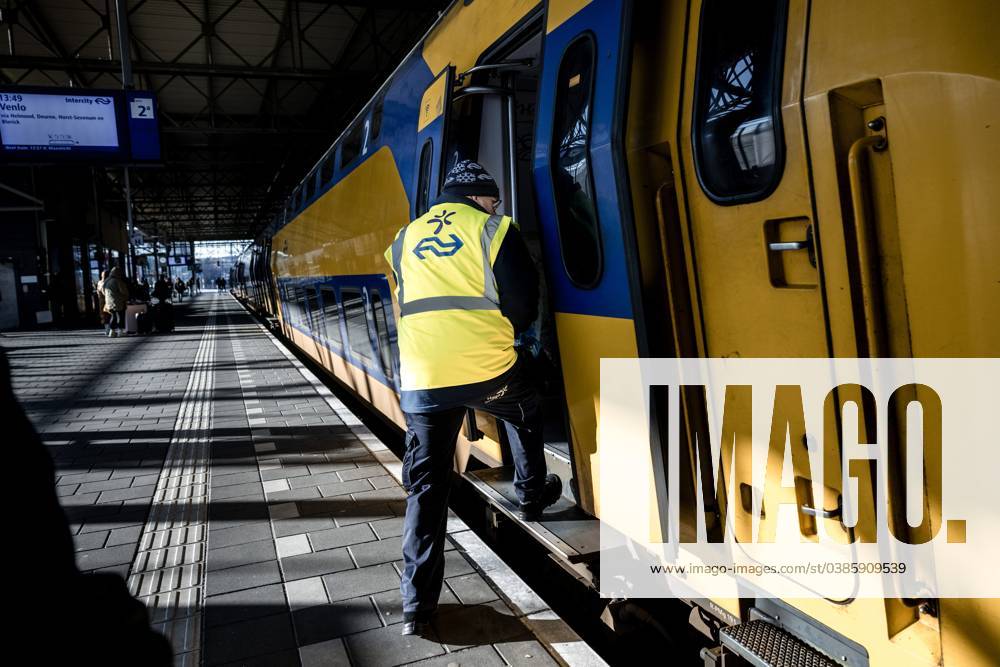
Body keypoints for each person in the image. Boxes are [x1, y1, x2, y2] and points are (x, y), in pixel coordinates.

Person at [384, 159, 562, 637]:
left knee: (426, 488)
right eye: (494, 198)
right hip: (488, 373)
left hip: (422, 382)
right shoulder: (493, 228)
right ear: (480, 197)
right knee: (525, 406)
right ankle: (529, 494)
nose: (496, 205)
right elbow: (525, 305)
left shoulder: (403, 238)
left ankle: (416, 607)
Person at [102, 267, 129, 338]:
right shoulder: (118, 281)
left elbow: (103, 291)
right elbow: (123, 291)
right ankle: (120, 332)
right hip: (118, 302)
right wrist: (126, 297)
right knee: (120, 316)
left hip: (109, 302)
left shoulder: (106, 280)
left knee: (113, 316)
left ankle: (112, 332)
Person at [95, 270, 110, 335]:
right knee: (109, 315)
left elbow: (98, 291)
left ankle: (107, 330)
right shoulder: (108, 282)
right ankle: (110, 330)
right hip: (107, 300)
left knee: (104, 316)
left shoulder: (99, 282)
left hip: (101, 301)